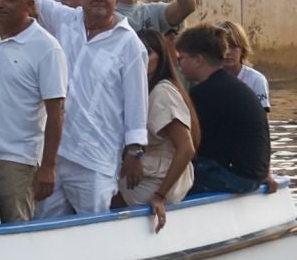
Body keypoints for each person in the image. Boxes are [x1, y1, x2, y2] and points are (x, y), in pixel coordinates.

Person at [34, 0, 149, 216]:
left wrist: (135, 151)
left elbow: (136, 102)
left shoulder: (129, 43)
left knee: (93, 231)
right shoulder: (66, 21)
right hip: (54, 153)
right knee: (45, 227)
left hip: (96, 159)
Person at [0, 0, 66, 223]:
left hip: (18, 160)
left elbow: (56, 114)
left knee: (14, 233)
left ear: (30, 5)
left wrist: (48, 167)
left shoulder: (47, 47)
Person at [174, 24, 276, 195]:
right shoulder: (233, 86)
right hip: (255, 174)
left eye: (181, 58)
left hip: (237, 178)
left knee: (165, 176)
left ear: (198, 60)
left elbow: (192, 144)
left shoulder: (204, 94)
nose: (179, 65)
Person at [117, 27, 197, 231]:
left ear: (160, 58)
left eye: (147, 52)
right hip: (146, 173)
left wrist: (160, 196)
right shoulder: (138, 89)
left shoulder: (162, 93)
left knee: (96, 194)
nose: (140, 57)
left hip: (158, 181)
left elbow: (186, 148)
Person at [214, 19, 270, 110]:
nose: (227, 52)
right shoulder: (206, 79)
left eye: (233, 47)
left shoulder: (256, 80)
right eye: (223, 47)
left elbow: (262, 118)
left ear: (242, 50)